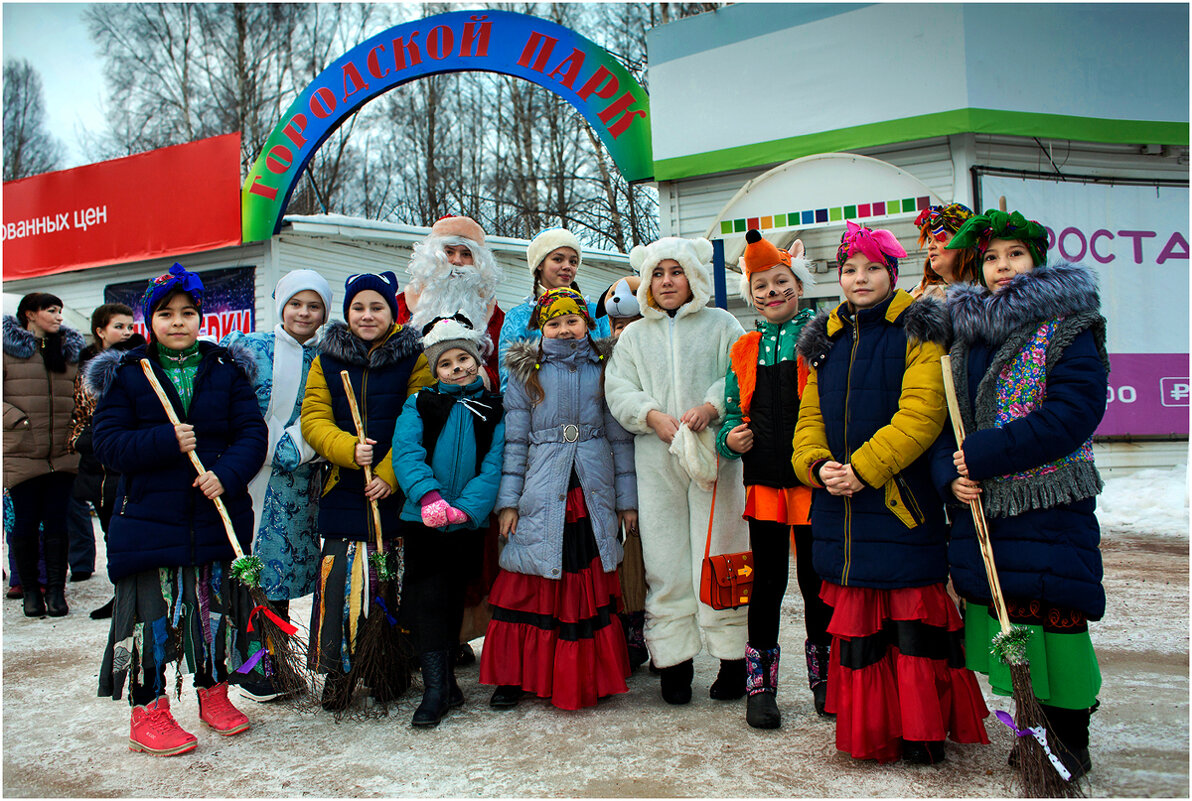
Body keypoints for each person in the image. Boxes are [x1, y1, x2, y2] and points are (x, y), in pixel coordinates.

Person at [792, 221, 989, 764]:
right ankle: (871, 728)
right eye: (850, 269)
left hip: (900, 501)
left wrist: (864, 469)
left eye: (873, 267)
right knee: (861, 628)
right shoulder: (824, 338)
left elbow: (922, 414)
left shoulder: (920, 329)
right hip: (841, 507)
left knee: (910, 622)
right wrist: (816, 465)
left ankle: (922, 732)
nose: (860, 278)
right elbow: (808, 416)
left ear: (893, 272)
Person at [937, 210, 1108, 780]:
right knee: (1012, 625)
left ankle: (1070, 740)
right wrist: (951, 474)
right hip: (988, 508)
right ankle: (1033, 730)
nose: (1002, 267)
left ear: (1037, 259)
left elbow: (1073, 414)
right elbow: (948, 424)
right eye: (990, 258)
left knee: (1056, 621)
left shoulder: (1067, 325)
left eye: (1014, 254)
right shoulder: (966, 335)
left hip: (1049, 504)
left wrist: (985, 453)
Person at [89, 263, 267, 756]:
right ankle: (149, 709)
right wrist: (165, 440)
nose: (178, 322)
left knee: (213, 613)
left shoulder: (226, 370)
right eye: (166, 314)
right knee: (153, 618)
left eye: (188, 313)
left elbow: (252, 434)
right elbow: (107, 444)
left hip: (216, 516)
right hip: (150, 522)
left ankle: (215, 694)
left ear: (201, 320)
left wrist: (225, 475)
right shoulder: (129, 375)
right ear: (151, 322)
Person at [604, 237, 750, 705]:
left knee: (723, 551)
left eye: (676, 272)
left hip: (715, 456)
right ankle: (675, 662)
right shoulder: (635, 337)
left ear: (694, 277)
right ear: (647, 281)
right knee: (665, 560)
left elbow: (737, 373)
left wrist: (711, 405)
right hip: (656, 456)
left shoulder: (721, 323)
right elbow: (618, 389)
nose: (667, 282)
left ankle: (732, 659)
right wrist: (650, 415)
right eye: (659, 274)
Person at [481, 287, 636, 710]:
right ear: (542, 327)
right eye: (554, 322)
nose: (565, 329)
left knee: (582, 577)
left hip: (591, 485)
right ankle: (515, 676)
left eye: (573, 320)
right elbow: (513, 441)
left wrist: (627, 501)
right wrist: (508, 502)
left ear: (588, 323)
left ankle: (589, 674)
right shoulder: (526, 370)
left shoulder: (605, 366)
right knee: (529, 574)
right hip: (542, 484)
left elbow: (620, 440)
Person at [300, 271, 433, 711]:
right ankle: (338, 670)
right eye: (358, 307)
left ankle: (385, 667)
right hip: (344, 484)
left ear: (392, 313)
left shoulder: (412, 358)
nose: (367, 315)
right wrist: (346, 449)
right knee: (338, 580)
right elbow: (314, 417)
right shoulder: (328, 358)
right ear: (347, 312)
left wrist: (389, 474)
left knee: (386, 578)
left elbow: (418, 419)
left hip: (392, 488)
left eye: (377, 307)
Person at [715, 230, 830, 728]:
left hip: (812, 483)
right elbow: (728, 414)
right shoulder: (744, 347)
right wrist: (728, 440)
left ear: (797, 284)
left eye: (779, 281)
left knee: (816, 582)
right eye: (759, 287)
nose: (770, 293)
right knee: (766, 584)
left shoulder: (824, 336)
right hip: (763, 486)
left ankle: (829, 681)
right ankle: (760, 688)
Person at [220, 270, 332, 702]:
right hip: (251, 478)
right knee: (249, 569)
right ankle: (249, 667)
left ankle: (274, 660)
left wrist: (301, 446)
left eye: (314, 305)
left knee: (280, 574)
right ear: (281, 305)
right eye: (297, 304)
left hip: (300, 483)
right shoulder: (249, 348)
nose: (304, 313)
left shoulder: (327, 354)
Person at [399, 214, 506, 666]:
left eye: (467, 255)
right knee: (417, 568)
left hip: (477, 458)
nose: (458, 264)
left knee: (470, 557)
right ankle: (419, 644)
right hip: (411, 465)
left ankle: (459, 635)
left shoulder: (495, 314)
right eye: (450, 253)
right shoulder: (399, 310)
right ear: (430, 258)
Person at [391, 315, 505, 726]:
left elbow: (494, 465)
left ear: (477, 361)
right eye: (446, 363)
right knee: (427, 599)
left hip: (466, 523)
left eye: (463, 359)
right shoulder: (421, 403)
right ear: (435, 369)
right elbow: (406, 451)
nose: (456, 368)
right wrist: (429, 496)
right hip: (424, 519)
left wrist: (468, 507)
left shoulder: (493, 408)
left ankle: (449, 686)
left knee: (455, 595)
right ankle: (436, 689)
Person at [3, 293, 84, 618]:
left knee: (56, 524)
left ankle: (55, 591)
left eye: (61, 310)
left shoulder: (67, 351)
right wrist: (15, 420)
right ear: (30, 314)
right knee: (24, 524)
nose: (59, 317)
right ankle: (31, 594)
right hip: (24, 451)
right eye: (51, 310)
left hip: (62, 453)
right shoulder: (6, 351)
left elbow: (80, 393)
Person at [594, 275, 649, 669]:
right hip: (612, 475)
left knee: (646, 555)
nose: (624, 333)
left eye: (632, 324)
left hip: (655, 468)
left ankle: (645, 626)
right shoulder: (601, 367)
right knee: (621, 553)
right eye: (617, 326)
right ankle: (626, 628)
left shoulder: (655, 359)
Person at [497, 228, 611, 390]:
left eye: (573, 262)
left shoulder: (596, 312)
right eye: (558, 259)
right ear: (540, 264)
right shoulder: (519, 317)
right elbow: (509, 382)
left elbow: (613, 367)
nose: (567, 267)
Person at [910, 203, 981, 300]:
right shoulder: (918, 300)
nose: (930, 246)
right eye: (930, 240)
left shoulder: (992, 292)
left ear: (965, 243)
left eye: (939, 237)